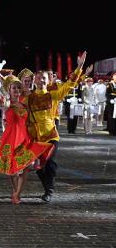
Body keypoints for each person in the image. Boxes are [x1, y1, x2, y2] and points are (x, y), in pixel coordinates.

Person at [26, 51, 91, 202]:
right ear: (34, 80)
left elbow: (69, 85)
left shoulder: (53, 95)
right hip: (36, 136)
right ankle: (47, 188)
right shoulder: (29, 97)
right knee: (39, 168)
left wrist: (79, 67)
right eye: (39, 78)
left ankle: (49, 190)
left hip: (51, 135)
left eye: (44, 78)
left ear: (48, 80)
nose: (41, 80)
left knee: (50, 163)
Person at [0, 74, 53, 204]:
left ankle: (18, 193)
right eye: (14, 88)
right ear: (9, 90)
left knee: (25, 167)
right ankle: (15, 190)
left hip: (25, 139)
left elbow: (31, 122)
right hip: (10, 139)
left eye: (19, 88)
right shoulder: (7, 104)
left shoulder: (25, 105)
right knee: (12, 169)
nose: (17, 91)